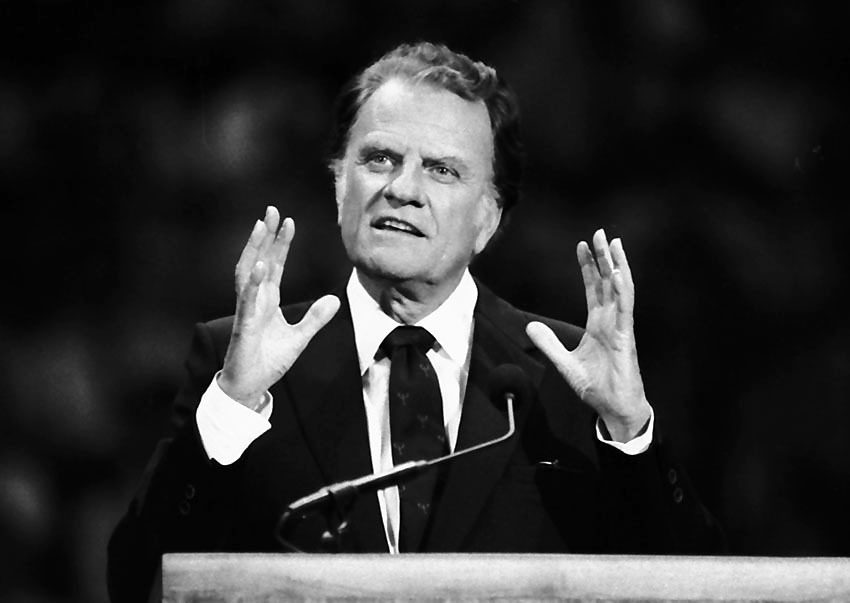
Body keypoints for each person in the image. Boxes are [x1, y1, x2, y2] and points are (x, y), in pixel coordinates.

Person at [108, 42, 724, 602]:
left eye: (442, 169)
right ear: (340, 184)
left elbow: (702, 585)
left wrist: (630, 434)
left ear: (488, 219)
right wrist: (233, 407)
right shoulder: (240, 363)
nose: (403, 188)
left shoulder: (565, 377)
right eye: (379, 158)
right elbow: (138, 581)